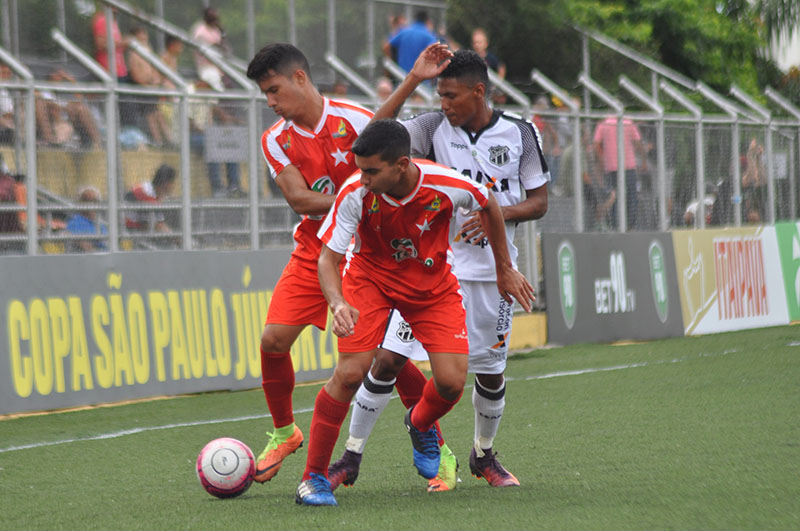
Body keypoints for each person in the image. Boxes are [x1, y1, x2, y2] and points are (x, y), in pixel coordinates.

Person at [326, 46, 549, 494]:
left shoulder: (522, 133)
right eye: (439, 94)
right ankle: (350, 456)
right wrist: (412, 80)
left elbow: (539, 202)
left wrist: (496, 216)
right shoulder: (430, 127)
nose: (443, 104)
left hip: (493, 272)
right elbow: (371, 140)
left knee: (489, 371)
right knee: (388, 359)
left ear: (478, 92)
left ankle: (483, 455)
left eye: (450, 95)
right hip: (430, 271)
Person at [295, 119, 536, 506]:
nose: (363, 178)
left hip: (432, 288)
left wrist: (503, 268)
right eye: (360, 170)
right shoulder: (355, 193)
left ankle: (418, 423)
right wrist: (337, 302)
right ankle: (313, 478)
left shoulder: (446, 184)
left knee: (451, 383)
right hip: (370, 281)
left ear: (402, 165)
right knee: (352, 372)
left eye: (372, 171)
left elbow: (488, 203)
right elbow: (328, 259)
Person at [244, 43, 434, 486]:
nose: (270, 102)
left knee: (381, 356)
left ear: (299, 78)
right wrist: (354, 199)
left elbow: (384, 131)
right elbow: (299, 199)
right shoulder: (275, 140)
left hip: (364, 251)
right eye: (265, 94)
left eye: (274, 90)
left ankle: (433, 440)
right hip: (315, 248)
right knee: (273, 340)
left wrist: (412, 79)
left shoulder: (350, 118)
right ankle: (285, 433)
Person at [188, 76, 242, 197]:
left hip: (205, 135)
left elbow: (216, 114)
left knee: (229, 143)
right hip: (189, 136)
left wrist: (230, 126)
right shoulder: (189, 93)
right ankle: (217, 188)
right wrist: (210, 134)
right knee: (212, 144)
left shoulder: (208, 94)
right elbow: (189, 125)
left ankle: (234, 186)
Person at [592, 115, 648, 230]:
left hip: (611, 167)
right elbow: (638, 142)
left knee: (614, 197)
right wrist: (643, 160)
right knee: (631, 196)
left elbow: (596, 144)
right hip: (628, 166)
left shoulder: (603, 124)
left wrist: (601, 158)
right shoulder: (628, 123)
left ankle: (615, 224)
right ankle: (630, 225)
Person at [127, 26, 172, 147]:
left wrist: (156, 81)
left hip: (152, 88)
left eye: (145, 35)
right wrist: (146, 83)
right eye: (140, 36)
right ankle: (158, 140)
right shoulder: (134, 55)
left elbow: (154, 70)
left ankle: (168, 139)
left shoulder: (148, 51)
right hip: (143, 89)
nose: (144, 38)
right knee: (151, 114)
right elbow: (136, 75)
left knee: (158, 113)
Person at [36, 68, 101, 149]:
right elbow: (40, 99)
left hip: (69, 120)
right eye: (58, 75)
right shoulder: (44, 92)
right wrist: (60, 107)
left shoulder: (64, 92)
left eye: (62, 76)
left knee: (81, 108)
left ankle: (98, 143)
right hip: (55, 122)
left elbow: (80, 99)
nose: (61, 78)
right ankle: (50, 141)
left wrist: (71, 80)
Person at [124, 163, 176, 233]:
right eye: (172, 183)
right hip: (127, 230)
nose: (173, 186)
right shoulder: (146, 193)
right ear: (166, 183)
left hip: (134, 229)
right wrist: (177, 237)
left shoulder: (150, 190)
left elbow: (158, 223)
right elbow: (159, 225)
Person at [191, 7, 227, 93]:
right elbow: (202, 48)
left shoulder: (216, 30)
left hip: (218, 67)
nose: (215, 20)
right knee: (215, 87)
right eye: (212, 18)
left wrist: (222, 34)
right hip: (205, 67)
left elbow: (223, 48)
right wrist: (214, 46)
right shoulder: (200, 30)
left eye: (216, 18)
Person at [92, 6, 129, 82]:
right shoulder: (102, 20)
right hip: (108, 71)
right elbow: (101, 45)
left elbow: (117, 45)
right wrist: (122, 43)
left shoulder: (113, 21)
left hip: (120, 71)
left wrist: (125, 44)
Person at [66, 186, 107, 252]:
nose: (91, 204)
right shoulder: (75, 222)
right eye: (87, 200)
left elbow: (106, 243)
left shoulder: (101, 223)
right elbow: (84, 245)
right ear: (81, 202)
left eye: (94, 201)